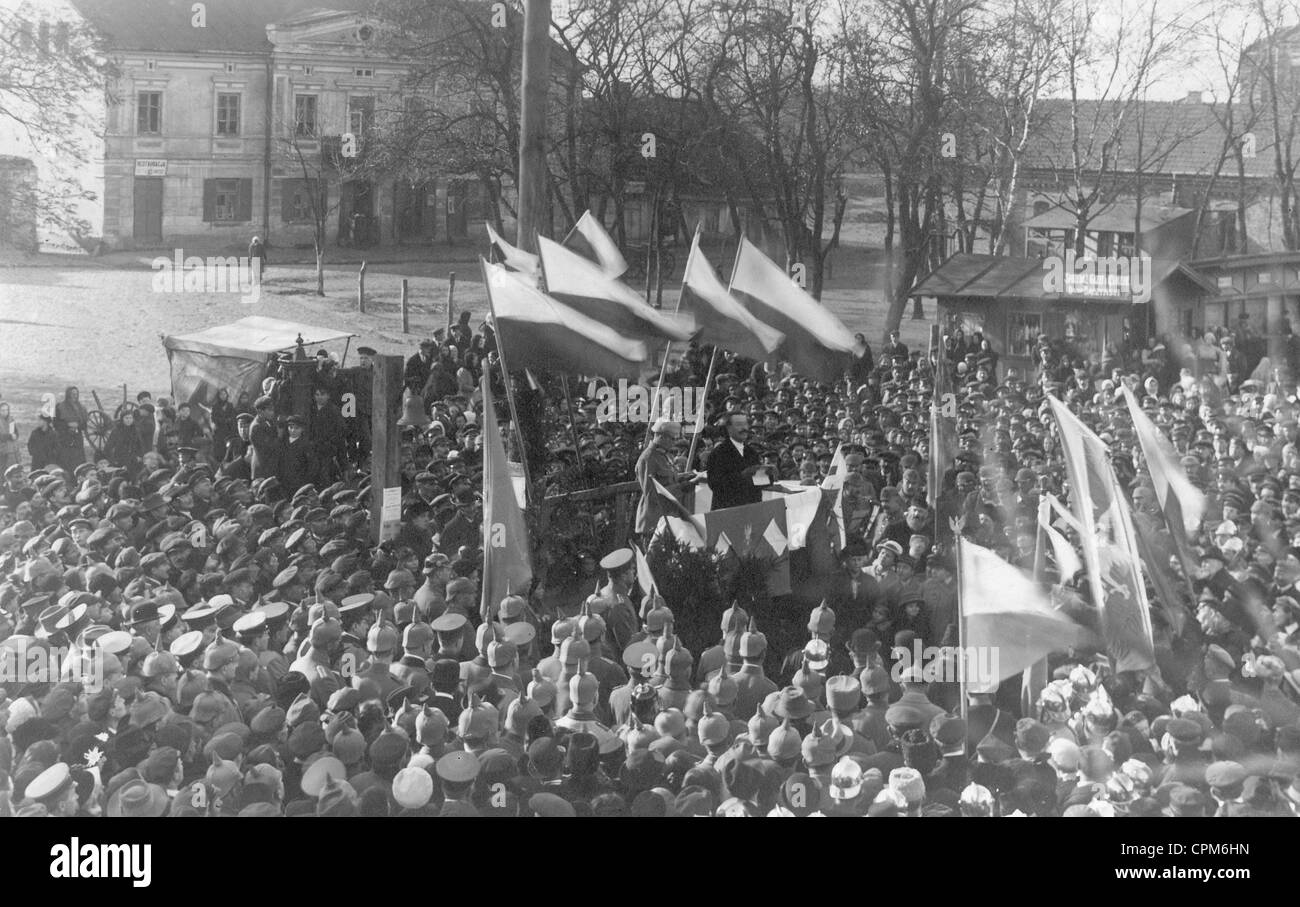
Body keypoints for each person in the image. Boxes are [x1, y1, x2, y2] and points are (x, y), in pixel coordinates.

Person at [706, 412, 773, 510]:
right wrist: (743, 475)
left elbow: (759, 483)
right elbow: (715, 484)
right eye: (738, 425)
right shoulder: (718, 453)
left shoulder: (751, 452)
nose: (743, 428)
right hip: (727, 510)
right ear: (729, 428)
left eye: (745, 424)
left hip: (751, 510)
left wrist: (769, 475)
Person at [248, 395, 280, 480]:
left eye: (273, 410)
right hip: (262, 470)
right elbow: (269, 446)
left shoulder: (267, 421)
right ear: (259, 411)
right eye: (269, 410)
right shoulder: (256, 427)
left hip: (269, 468)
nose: (272, 413)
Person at [0, 401, 18, 474]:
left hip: (10, 450)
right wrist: (10, 436)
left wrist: (15, 436)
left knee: (10, 470)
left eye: (6, 410)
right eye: (3, 410)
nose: (5, 412)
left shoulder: (10, 419)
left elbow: (14, 432)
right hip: (1, 450)